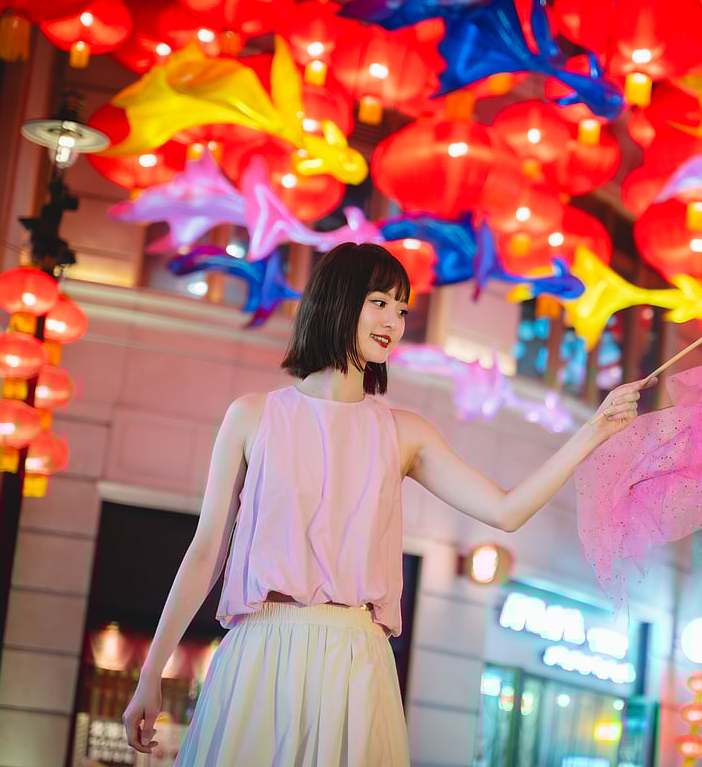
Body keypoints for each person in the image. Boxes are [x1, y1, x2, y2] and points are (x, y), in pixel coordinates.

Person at [123, 242, 650, 765]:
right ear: (337, 300)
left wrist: (594, 430)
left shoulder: (403, 433)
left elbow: (506, 510)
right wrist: (151, 676)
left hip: (355, 656)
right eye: (380, 302)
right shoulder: (253, 416)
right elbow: (205, 552)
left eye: (402, 309)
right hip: (261, 646)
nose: (394, 321)